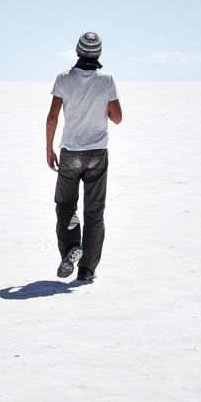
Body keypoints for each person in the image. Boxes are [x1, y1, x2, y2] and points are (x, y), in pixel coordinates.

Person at [45, 32, 123, 281]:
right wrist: (101, 106)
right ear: (98, 53)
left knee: (66, 205)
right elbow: (117, 117)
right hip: (97, 153)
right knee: (94, 211)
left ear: (78, 51)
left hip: (70, 152)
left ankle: (70, 249)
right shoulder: (107, 80)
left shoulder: (63, 79)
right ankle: (87, 270)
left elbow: (52, 117)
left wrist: (49, 149)